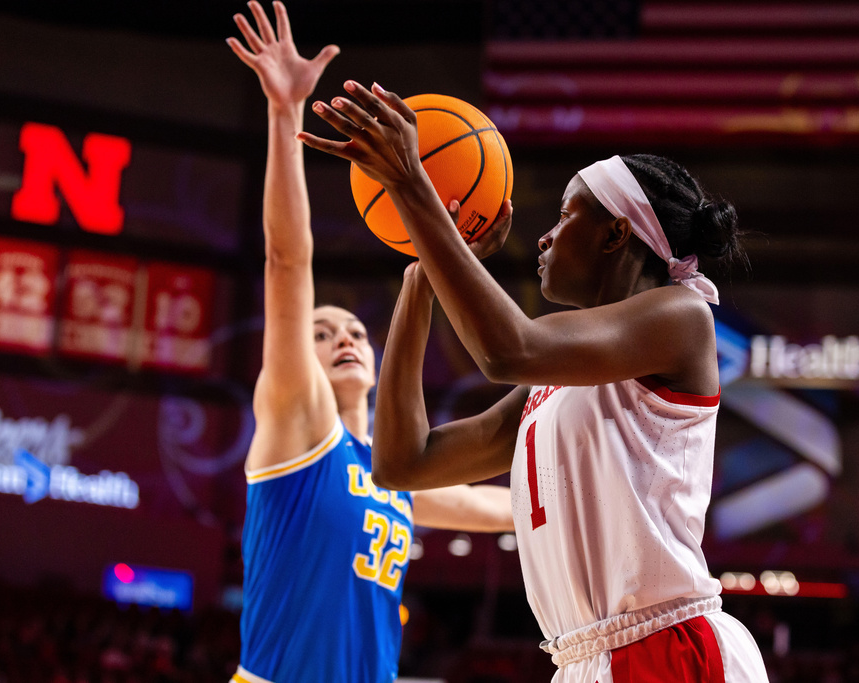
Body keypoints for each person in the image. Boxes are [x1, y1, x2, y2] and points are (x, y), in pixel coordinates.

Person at [299, 81, 771, 682]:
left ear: (615, 233)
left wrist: (412, 183)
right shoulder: (554, 385)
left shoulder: (680, 316)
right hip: (580, 658)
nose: (544, 235)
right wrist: (423, 274)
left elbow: (507, 349)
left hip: (665, 647)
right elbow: (401, 463)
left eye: (566, 213)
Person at [225, 5, 513, 683]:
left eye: (353, 329)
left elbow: (503, 506)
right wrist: (283, 112)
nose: (344, 337)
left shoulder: (398, 472)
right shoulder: (300, 425)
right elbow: (288, 261)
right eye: (322, 333)